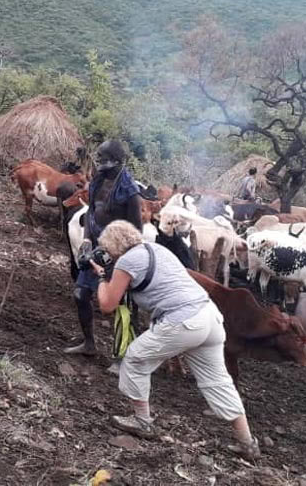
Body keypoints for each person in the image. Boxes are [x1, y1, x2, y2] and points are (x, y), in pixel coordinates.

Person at [91, 220, 260, 460]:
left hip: (184, 320)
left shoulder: (127, 261)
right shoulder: (157, 249)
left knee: (135, 358)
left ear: (112, 246)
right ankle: (247, 443)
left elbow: (107, 304)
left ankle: (142, 422)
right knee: (218, 380)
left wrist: (101, 277)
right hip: (209, 316)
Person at [64, 140, 142, 358]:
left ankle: (122, 357)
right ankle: (89, 344)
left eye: (102, 158)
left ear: (116, 161)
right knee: (80, 294)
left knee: (121, 306)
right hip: (95, 249)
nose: (98, 162)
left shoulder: (130, 192)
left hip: (119, 254)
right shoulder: (98, 180)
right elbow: (91, 212)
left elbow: (136, 231)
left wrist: (117, 255)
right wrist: (87, 240)